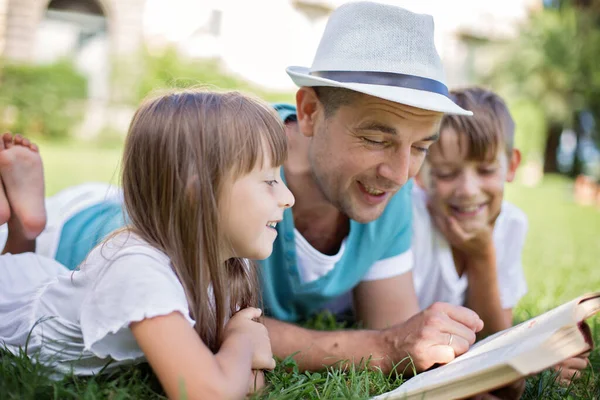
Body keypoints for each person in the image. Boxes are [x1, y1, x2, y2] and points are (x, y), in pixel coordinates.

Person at [4, 2, 486, 376]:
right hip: (74, 232)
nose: (400, 173)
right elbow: (202, 317)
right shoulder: (233, 165)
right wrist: (379, 348)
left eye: (420, 146)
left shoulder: (387, 187)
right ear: (312, 111)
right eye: (376, 139)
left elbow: (395, 330)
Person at [0, 89, 295, 399]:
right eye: (270, 181)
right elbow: (207, 392)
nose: (288, 199)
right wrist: (244, 339)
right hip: (9, 303)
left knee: (21, 271)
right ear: (196, 193)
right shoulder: (138, 271)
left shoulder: (227, 263)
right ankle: (19, 226)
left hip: (39, 285)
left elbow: (250, 384)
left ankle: (22, 228)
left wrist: (238, 355)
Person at [412, 87, 590, 384]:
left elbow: (494, 332)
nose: (468, 189)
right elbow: (406, 341)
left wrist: (482, 253)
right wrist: (522, 356)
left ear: (512, 165)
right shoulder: (410, 218)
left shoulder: (511, 223)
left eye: (485, 170)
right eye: (446, 173)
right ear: (420, 171)